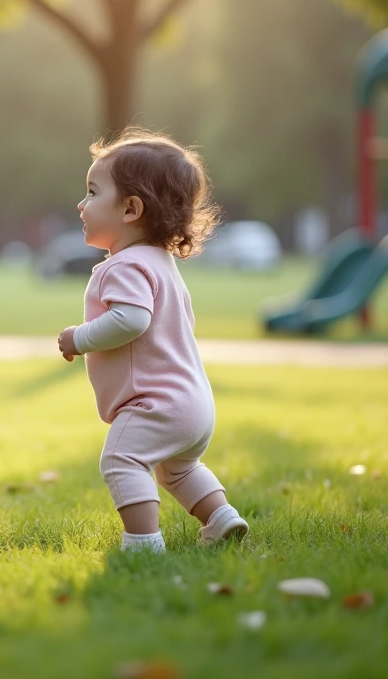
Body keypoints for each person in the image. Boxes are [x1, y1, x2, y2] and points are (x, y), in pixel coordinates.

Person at [57, 128, 248, 553]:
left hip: (155, 402)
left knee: (121, 460)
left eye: (92, 192)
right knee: (178, 470)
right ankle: (221, 518)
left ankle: (143, 544)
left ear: (131, 209)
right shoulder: (160, 263)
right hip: (193, 403)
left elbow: (131, 320)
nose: (81, 204)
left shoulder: (123, 266)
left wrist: (78, 338)